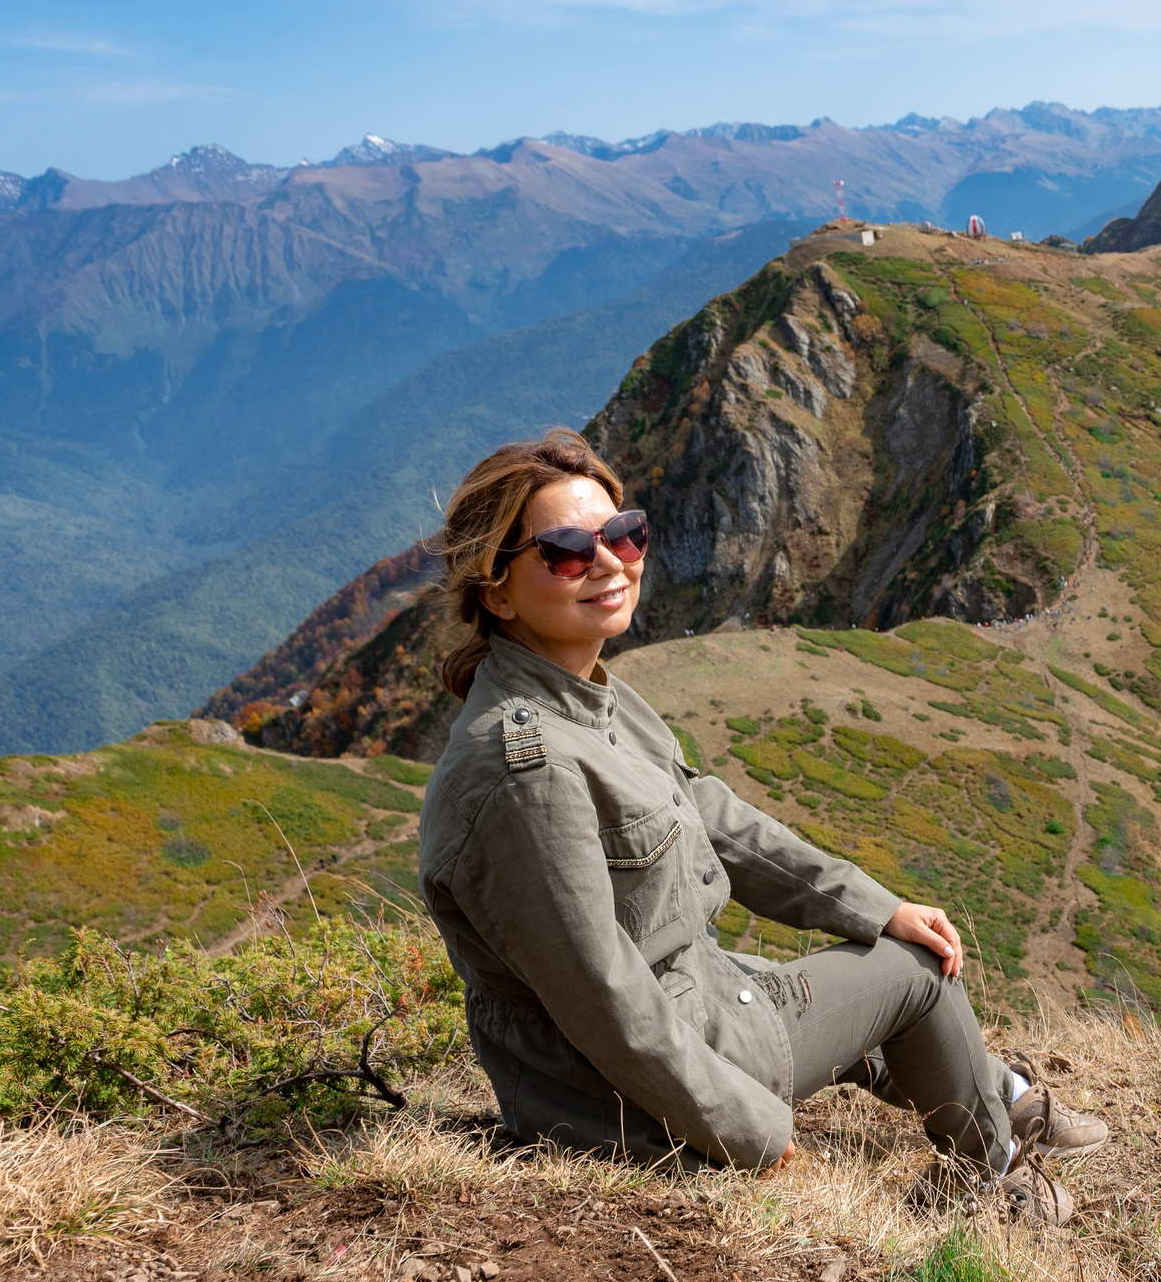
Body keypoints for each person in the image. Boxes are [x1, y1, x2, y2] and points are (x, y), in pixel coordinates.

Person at [415, 430, 1105, 1221]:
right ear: (498, 593)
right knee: (916, 971)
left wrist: (875, 907)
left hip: (688, 1006)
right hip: (624, 1104)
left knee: (862, 969)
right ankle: (994, 1174)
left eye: (624, 533)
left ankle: (1000, 1090)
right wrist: (750, 1130)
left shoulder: (590, 698)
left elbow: (715, 819)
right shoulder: (525, 771)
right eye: (567, 551)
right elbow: (604, 998)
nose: (609, 561)